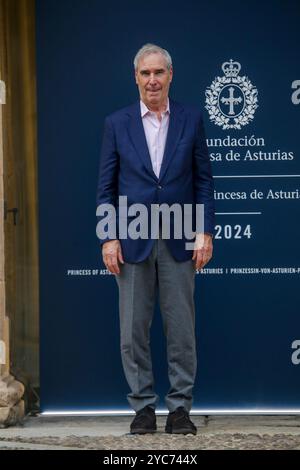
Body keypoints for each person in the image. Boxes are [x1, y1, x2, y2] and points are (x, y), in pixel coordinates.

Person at [96, 43, 214, 435]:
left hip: (180, 236)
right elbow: (106, 187)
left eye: (158, 72)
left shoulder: (191, 119)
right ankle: (143, 407)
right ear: (136, 77)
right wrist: (108, 237)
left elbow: (203, 181)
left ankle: (180, 409)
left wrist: (205, 231)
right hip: (131, 239)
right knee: (132, 330)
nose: (152, 80)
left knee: (181, 328)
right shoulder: (117, 123)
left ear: (170, 75)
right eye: (145, 73)